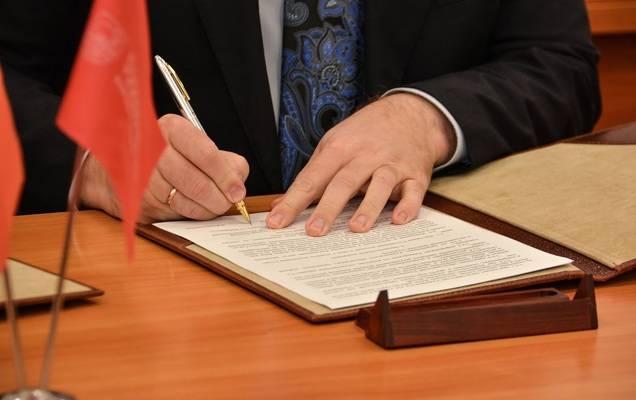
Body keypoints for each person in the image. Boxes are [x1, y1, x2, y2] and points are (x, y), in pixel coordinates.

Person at [0, 0, 600, 237]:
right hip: (164, 285)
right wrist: (93, 161)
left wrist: (429, 119)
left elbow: (559, 65)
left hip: (420, 265)